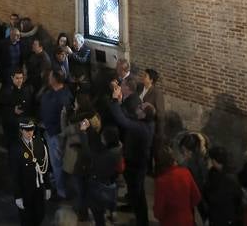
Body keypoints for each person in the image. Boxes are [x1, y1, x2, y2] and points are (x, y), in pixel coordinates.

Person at [109, 79, 154, 226]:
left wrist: (115, 100)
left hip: (136, 164)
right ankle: (134, 209)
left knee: (138, 193)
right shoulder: (146, 123)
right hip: (137, 162)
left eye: (141, 108)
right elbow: (129, 118)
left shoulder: (141, 128)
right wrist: (121, 102)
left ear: (143, 115)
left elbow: (123, 121)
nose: (139, 106)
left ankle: (142, 221)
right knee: (136, 192)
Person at [79, 121, 124, 226]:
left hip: (99, 188)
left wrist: (83, 133)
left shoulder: (104, 156)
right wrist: (89, 129)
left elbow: (87, 153)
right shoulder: (118, 149)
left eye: (103, 136)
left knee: (98, 214)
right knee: (109, 204)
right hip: (111, 185)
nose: (101, 138)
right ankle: (112, 214)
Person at [10, 119, 51, 226]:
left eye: (31, 130)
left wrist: (47, 186)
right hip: (25, 189)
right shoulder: (16, 147)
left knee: (40, 215)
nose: (29, 133)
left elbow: (44, 166)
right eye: (26, 130)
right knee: (27, 219)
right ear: (21, 130)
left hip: (38, 188)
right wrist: (17, 195)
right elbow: (15, 174)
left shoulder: (39, 142)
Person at [40, 69, 72, 200]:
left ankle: (61, 189)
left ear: (54, 79)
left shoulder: (60, 98)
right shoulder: (62, 93)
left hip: (56, 134)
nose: (48, 77)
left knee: (57, 163)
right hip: (52, 132)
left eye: (50, 76)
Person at [153, 144, 201, 226]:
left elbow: (158, 212)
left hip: (170, 221)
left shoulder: (161, 182)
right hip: (187, 220)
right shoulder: (186, 172)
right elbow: (197, 197)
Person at [203, 146, 243, 226]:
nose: (206, 161)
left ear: (213, 160)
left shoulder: (226, 179)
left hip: (225, 219)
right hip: (219, 218)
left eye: (208, 159)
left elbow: (214, 199)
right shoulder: (215, 173)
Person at [0, 69, 34, 146]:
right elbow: (1, 108)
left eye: (21, 78)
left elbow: (30, 103)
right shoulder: (6, 91)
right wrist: (13, 110)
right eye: (17, 78)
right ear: (12, 78)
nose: (19, 80)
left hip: (23, 121)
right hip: (10, 122)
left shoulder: (26, 89)